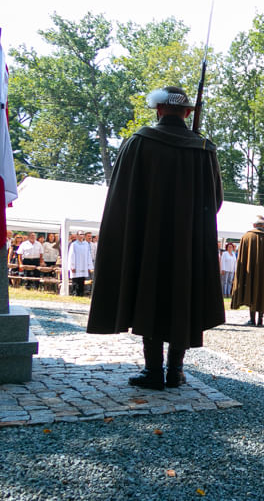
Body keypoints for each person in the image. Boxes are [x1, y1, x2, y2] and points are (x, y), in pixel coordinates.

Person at [87, 86, 225, 390]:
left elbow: (121, 197)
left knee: (149, 296)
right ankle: (175, 370)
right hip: (187, 243)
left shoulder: (138, 143)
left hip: (146, 239)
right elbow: (215, 201)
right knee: (182, 300)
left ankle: (153, 371)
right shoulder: (203, 149)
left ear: (159, 110)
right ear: (187, 113)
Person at [230, 216, 264, 327]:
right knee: (262, 292)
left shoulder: (246, 237)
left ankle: (252, 319)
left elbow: (241, 258)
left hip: (249, 271)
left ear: (254, 225)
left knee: (251, 290)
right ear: (263, 225)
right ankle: (260, 320)